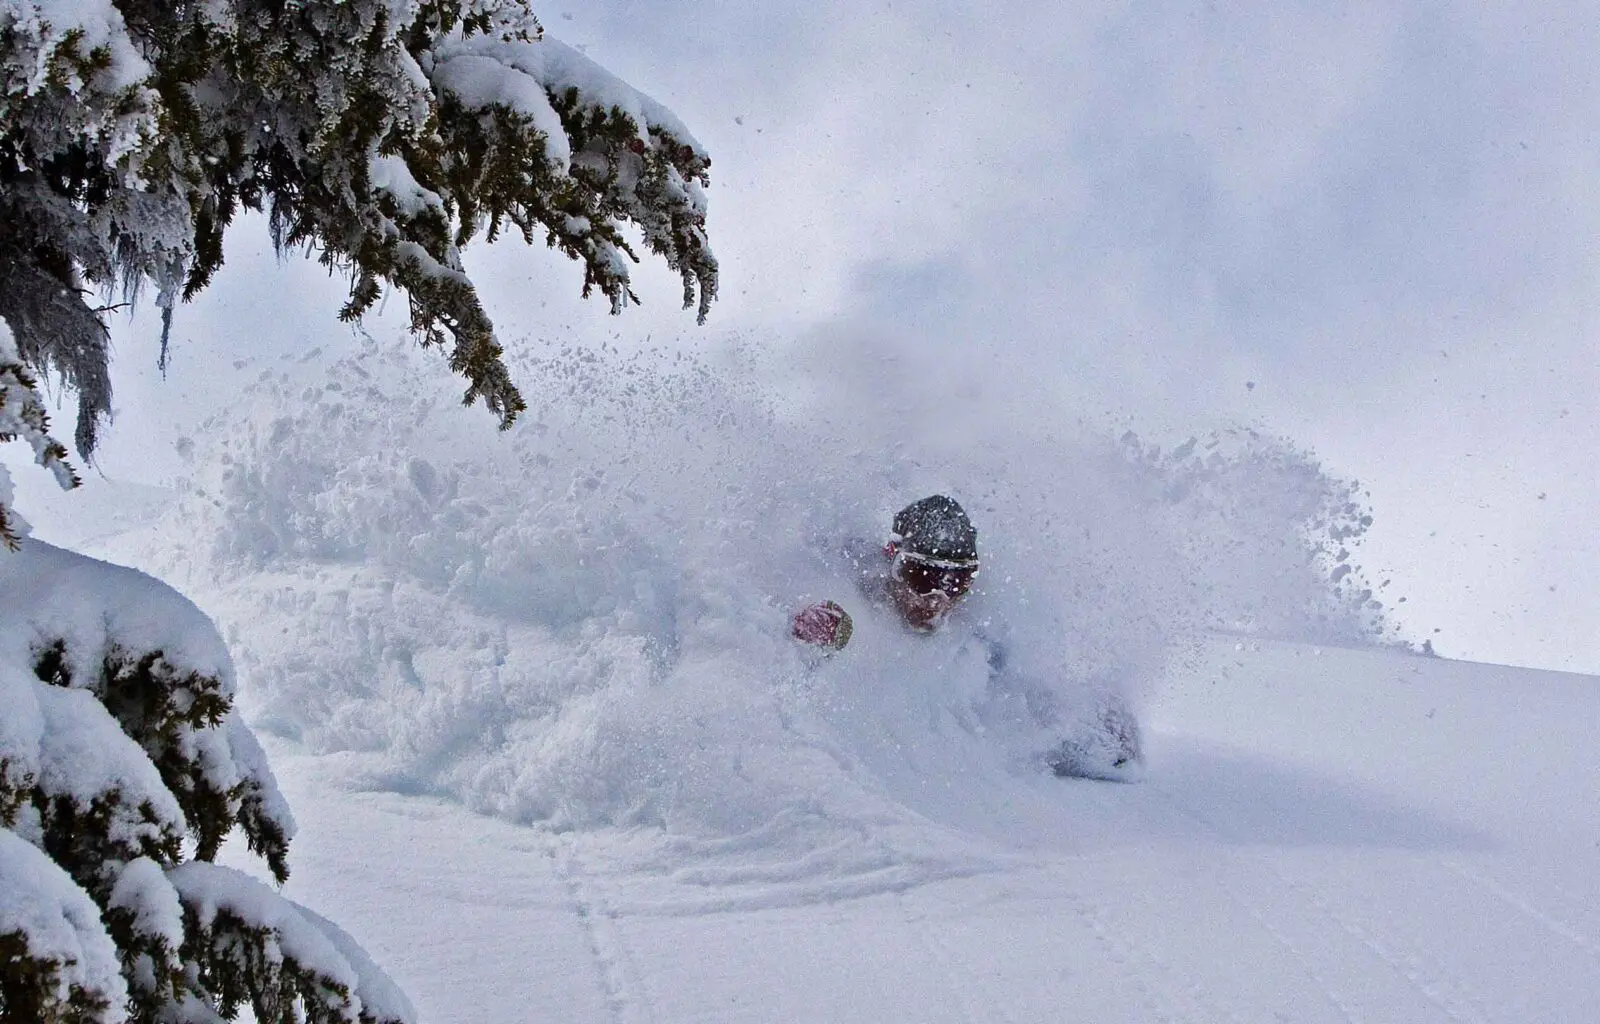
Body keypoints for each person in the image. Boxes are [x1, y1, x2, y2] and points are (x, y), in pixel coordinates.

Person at [791, 494, 1142, 779]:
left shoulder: (981, 648)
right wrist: (797, 633)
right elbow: (756, 599)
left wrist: (1108, 729)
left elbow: (1055, 727)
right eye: (922, 575)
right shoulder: (845, 568)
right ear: (892, 558)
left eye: (957, 581)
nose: (938, 598)